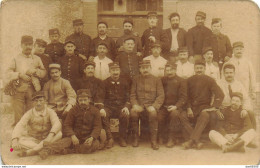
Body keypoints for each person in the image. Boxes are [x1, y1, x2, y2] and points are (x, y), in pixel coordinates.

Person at [38, 89, 102, 159]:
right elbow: (67, 125)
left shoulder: (95, 111)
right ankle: (47, 150)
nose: (83, 102)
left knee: (95, 145)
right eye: (80, 100)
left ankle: (69, 151)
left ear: (89, 100)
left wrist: (92, 137)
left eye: (85, 100)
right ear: (77, 100)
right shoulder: (73, 110)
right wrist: (72, 136)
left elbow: (97, 126)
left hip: (88, 137)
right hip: (75, 137)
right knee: (64, 142)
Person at [180, 59, 224, 150]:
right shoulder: (189, 80)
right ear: (194, 69)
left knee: (205, 115)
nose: (199, 70)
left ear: (204, 69)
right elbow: (185, 96)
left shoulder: (210, 80)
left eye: (201, 68)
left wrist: (213, 108)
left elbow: (220, 94)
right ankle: (197, 141)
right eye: (197, 68)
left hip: (204, 107)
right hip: (191, 107)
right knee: (182, 115)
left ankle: (191, 141)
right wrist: (188, 108)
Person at [6, 35, 46, 125]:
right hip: (18, 89)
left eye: (30, 45)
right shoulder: (16, 58)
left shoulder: (37, 58)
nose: (28, 47)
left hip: (32, 89)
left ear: (32, 46)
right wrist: (19, 75)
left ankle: (29, 131)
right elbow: (8, 72)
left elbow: (43, 72)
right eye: (26, 44)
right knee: (18, 113)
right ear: (21, 45)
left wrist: (36, 71)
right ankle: (18, 132)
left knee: (31, 112)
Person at [11, 91, 62, 157]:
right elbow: (20, 125)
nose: (38, 103)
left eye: (41, 100)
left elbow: (57, 123)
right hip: (33, 139)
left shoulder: (50, 111)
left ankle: (31, 151)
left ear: (45, 101)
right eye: (36, 101)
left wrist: (49, 136)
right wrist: (14, 140)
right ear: (32, 102)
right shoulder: (29, 113)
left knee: (59, 134)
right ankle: (42, 149)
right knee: (20, 140)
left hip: (48, 138)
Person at [130, 60, 164, 150]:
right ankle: (136, 138)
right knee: (133, 113)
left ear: (150, 68)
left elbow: (161, 95)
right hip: (139, 105)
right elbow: (132, 95)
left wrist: (154, 106)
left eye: (147, 68)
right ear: (140, 69)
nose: (145, 70)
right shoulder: (136, 79)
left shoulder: (157, 79)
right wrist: (135, 105)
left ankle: (153, 141)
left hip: (151, 106)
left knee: (153, 114)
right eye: (143, 68)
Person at [158, 61, 187, 147]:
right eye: (167, 70)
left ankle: (171, 138)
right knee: (159, 117)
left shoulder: (181, 81)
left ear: (175, 70)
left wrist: (176, 106)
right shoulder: (162, 80)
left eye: (171, 70)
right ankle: (161, 136)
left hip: (176, 107)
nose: (169, 72)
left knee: (174, 115)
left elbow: (183, 97)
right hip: (164, 106)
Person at [218, 63, 255, 129]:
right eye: (227, 73)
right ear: (223, 74)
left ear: (234, 73)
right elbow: (214, 98)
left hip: (237, 108)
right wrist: (218, 107)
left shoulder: (239, 84)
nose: (229, 75)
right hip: (224, 108)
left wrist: (244, 109)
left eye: (231, 72)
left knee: (250, 112)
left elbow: (246, 99)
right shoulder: (219, 84)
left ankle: (252, 132)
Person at [103, 62, 131, 147]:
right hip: (108, 107)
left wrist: (126, 106)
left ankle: (122, 138)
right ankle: (110, 138)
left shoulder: (124, 82)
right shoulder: (104, 83)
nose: (115, 72)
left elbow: (128, 97)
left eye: (117, 70)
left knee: (125, 114)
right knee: (104, 115)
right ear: (109, 71)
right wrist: (102, 108)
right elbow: (100, 97)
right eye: (113, 70)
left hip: (120, 107)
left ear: (120, 71)